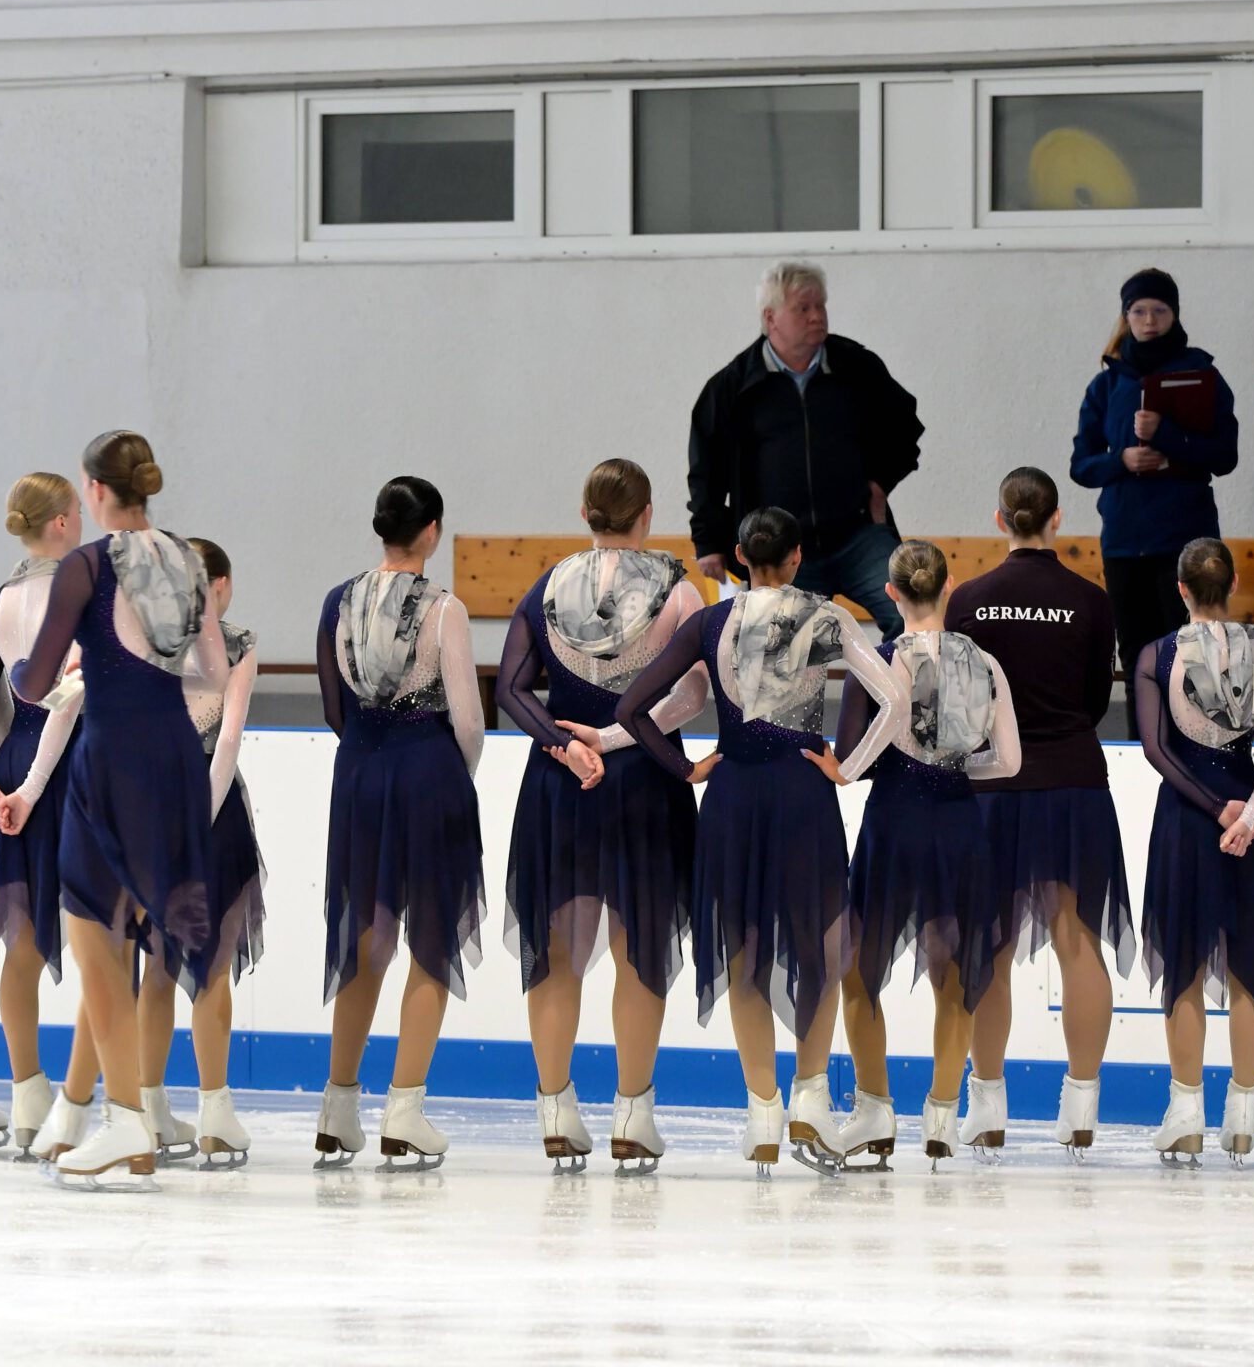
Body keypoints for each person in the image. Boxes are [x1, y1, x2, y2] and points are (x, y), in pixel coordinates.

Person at [612, 506, 902, 1176]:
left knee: (742, 950)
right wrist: (848, 768)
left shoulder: (709, 622)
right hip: (803, 792)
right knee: (818, 943)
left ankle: (764, 1109)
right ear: (797, 557)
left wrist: (684, 767)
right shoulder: (828, 618)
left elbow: (631, 709)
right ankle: (810, 1098)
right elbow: (892, 699)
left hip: (733, 793)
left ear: (739, 557)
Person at [10, 431, 227, 1188]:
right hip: (176, 755)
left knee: (94, 935)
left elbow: (35, 682)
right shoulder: (187, 560)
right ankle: (107, 1114)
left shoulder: (89, 565)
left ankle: (127, 1119)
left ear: (95, 489)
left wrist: (34, 669)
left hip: (112, 758)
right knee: (144, 930)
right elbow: (213, 671)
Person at [495, 460, 709, 1173]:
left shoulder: (547, 587)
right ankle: (632, 1115)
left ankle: (555, 1109)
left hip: (561, 784)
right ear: (647, 515)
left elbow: (512, 688)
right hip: (642, 778)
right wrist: (614, 739)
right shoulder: (678, 592)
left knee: (557, 948)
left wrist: (566, 745)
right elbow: (692, 696)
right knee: (637, 945)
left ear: (584, 513)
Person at [943, 468, 1130, 1158]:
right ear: (1058, 518)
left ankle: (987, 1103)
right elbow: (1093, 699)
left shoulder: (969, 600)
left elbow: (961, 703)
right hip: (1073, 781)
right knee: (1077, 939)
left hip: (992, 788)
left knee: (987, 946)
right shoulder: (1091, 600)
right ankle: (1080, 1105)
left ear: (1000, 520)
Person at [829, 541, 1020, 1168]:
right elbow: (1009, 761)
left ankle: (874, 1110)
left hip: (894, 821)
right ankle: (941, 1114)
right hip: (958, 822)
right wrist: (955, 770)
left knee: (859, 970)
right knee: (955, 971)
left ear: (891, 593)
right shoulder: (987, 663)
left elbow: (851, 755)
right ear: (949, 585)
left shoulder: (879, 659)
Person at [314, 477, 486, 1172]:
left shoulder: (338, 601)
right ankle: (405, 1111)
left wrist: (369, 754)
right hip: (427, 772)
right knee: (431, 937)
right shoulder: (444, 609)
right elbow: (469, 721)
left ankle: (337, 1107)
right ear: (432, 531)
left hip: (358, 772)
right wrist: (452, 778)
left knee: (363, 933)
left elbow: (334, 706)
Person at [1133, 539, 1254, 1167]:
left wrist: (1213, 808)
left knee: (1184, 960)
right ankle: (1244, 1113)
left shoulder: (1158, 655)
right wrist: (1248, 813)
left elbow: (1156, 748)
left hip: (1187, 816)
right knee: (1247, 961)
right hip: (1250, 814)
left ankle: (1185, 1112)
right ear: (1232, 586)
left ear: (1180, 589)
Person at [687, 260, 926, 639]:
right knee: (784, 647)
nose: (817, 316)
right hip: (780, 549)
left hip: (859, 535)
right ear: (771, 318)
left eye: (820, 306)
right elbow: (706, 472)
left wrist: (880, 483)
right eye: (803, 308)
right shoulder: (733, 387)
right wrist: (709, 542)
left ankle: (889, 681)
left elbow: (905, 425)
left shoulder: (856, 367)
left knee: (913, 612)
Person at [0, 472, 87, 1158]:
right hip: (71, 765)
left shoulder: (4, 596)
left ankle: (27, 1089)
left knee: (24, 941)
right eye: (77, 511)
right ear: (61, 521)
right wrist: (28, 786)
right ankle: (114, 1097)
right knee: (103, 933)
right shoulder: (80, 589)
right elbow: (70, 696)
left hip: (13, 764)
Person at [134, 535, 266, 1171]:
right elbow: (227, 741)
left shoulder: (146, 641)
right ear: (219, 585)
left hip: (151, 814)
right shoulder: (236, 644)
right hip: (212, 816)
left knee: (158, 966)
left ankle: (149, 1111)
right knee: (211, 967)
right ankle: (214, 1114)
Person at [1069, 268, 1238, 711]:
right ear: (1126, 316)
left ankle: (1197, 743)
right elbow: (1080, 464)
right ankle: (1144, 745)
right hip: (1125, 540)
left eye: (1159, 310)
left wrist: (1166, 435)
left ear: (1174, 314)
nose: (1149, 320)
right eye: (1139, 311)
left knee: (1193, 657)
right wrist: (1121, 461)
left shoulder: (1202, 374)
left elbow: (1225, 456)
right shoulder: (1107, 383)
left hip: (1185, 539)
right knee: (1137, 659)